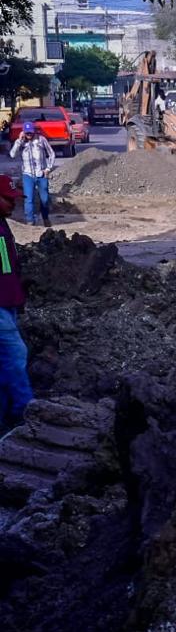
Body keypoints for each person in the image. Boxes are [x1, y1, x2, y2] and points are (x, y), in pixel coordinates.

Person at [0, 175, 34, 431]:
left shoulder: (2, 225)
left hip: (8, 301)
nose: (13, 204)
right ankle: (25, 414)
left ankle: (7, 416)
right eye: (8, 199)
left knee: (6, 361)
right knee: (15, 355)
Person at [9, 123, 55, 227]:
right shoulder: (21, 142)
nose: (29, 134)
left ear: (34, 131)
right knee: (28, 199)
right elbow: (12, 155)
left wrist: (48, 168)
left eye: (30, 132)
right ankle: (30, 220)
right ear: (24, 132)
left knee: (45, 198)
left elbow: (51, 154)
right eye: (27, 133)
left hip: (41, 174)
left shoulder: (41, 140)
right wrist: (19, 141)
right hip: (28, 175)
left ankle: (45, 217)